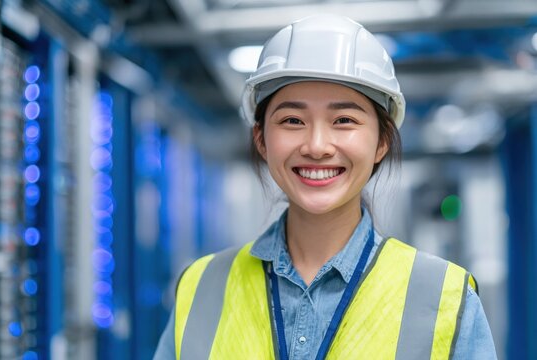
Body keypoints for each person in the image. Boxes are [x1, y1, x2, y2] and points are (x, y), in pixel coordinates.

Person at [154, 14, 497, 360]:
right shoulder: (200, 288)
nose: (317, 146)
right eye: (292, 120)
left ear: (381, 142)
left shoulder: (446, 297)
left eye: (344, 120)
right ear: (261, 139)